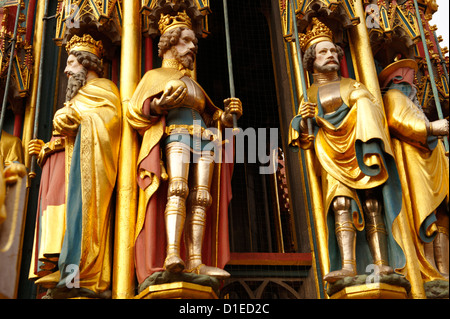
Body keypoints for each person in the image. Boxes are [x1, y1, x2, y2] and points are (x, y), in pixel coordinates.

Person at [128, 10, 242, 287]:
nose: (192, 47)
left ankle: (195, 260)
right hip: (176, 136)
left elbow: (212, 116)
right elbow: (135, 112)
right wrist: (157, 106)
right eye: (186, 41)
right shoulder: (154, 76)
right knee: (178, 189)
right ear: (169, 43)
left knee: (202, 197)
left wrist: (227, 116)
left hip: (204, 141)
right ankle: (171, 254)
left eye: (193, 43)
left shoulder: (194, 83)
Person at [289, 18, 405, 283]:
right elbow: (302, 138)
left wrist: (361, 101)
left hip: (358, 148)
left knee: (372, 204)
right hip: (329, 154)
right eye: (323, 52)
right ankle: (348, 265)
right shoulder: (308, 93)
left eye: (333, 51)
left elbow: (370, 105)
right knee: (341, 204)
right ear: (311, 60)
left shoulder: (352, 84)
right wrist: (303, 120)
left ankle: (381, 263)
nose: (330, 55)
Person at [28, 34, 121, 298]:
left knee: (75, 212)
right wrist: (46, 148)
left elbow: (109, 124)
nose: (67, 70)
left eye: (71, 63)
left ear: (88, 63)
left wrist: (81, 122)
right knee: (57, 215)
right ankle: (57, 265)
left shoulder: (105, 90)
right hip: (60, 167)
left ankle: (80, 270)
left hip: (83, 170)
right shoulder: (76, 97)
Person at [379, 58, 449, 280]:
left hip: (432, 162)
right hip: (415, 164)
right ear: (398, 79)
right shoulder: (394, 97)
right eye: (412, 76)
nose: (416, 82)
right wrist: (430, 127)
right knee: (425, 216)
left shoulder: (412, 102)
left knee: (442, 218)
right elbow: (396, 121)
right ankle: (427, 268)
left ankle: (443, 270)